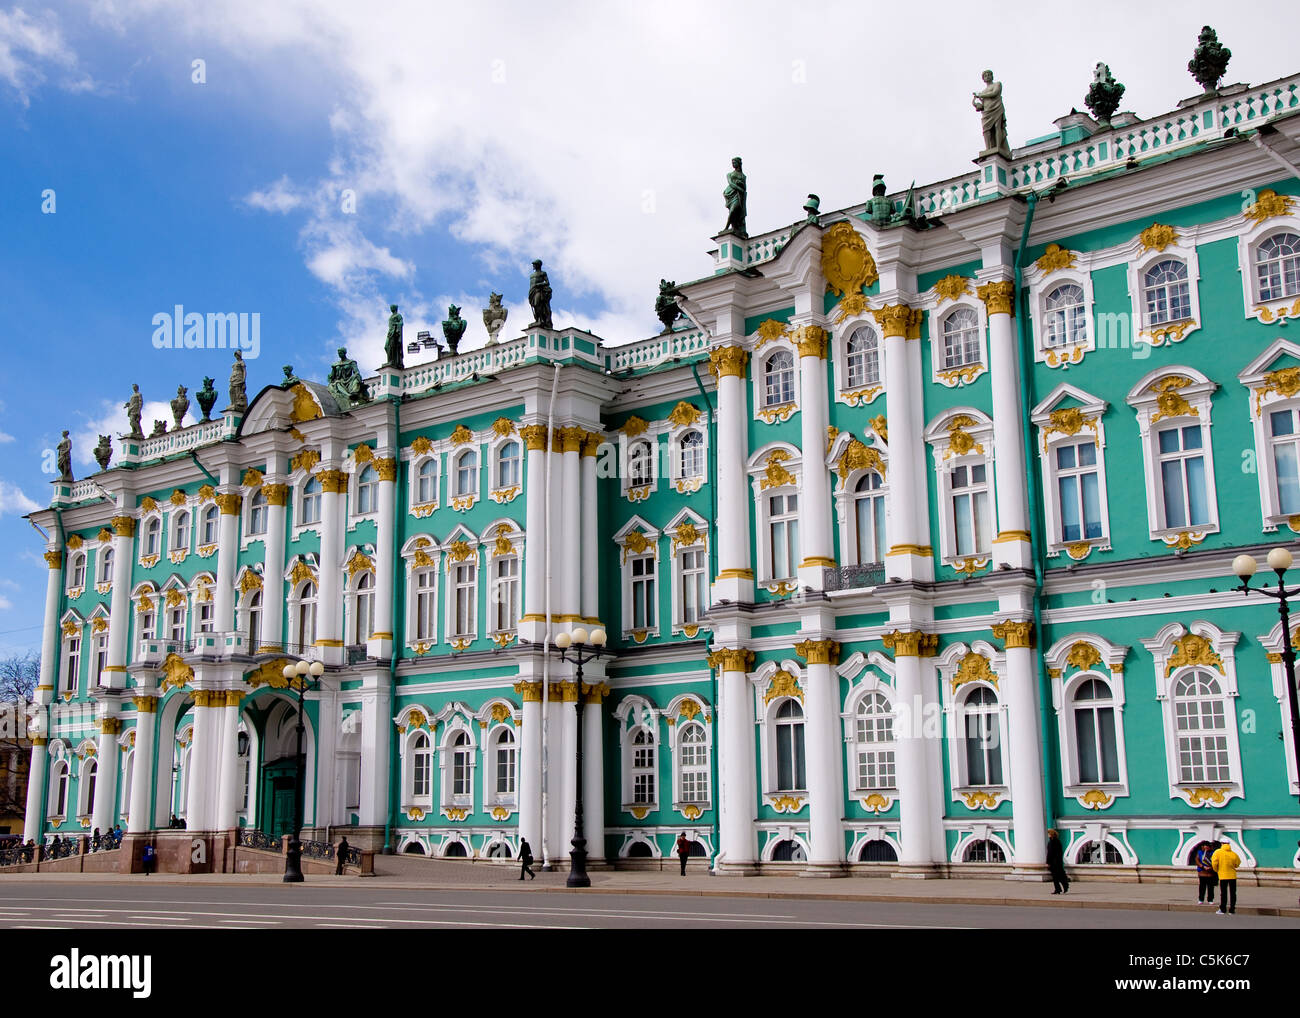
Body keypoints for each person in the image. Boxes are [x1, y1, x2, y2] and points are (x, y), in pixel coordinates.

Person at [1211, 837, 1240, 915]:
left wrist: (1216, 870)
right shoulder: (1233, 854)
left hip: (1223, 875)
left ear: (1221, 844)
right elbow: (1237, 864)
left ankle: (1223, 909)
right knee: (1233, 893)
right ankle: (1232, 910)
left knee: (1223, 893)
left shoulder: (1218, 852)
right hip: (1232, 876)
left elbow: (1214, 863)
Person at [1046, 828, 1069, 894]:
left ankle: (1061, 887)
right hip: (1058, 862)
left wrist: (1048, 862)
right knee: (1059, 875)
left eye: (1048, 833)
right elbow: (1059, 852)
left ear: (1051, 834)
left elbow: (1050, 853)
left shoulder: (1052, 842)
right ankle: (1062, 887)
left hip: (1054, 862)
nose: (1048, 835)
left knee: (1056, 876)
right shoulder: (1057, 841)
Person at [1194, 840, 1217, 904]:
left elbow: (1215, 861)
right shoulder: (1200, 852)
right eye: (1205, 846)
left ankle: (1210, 900)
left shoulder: (1213, 853)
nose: (1206, 847)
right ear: (1202, 846)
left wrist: (1211, 867)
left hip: (1210, 873)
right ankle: (1201, 899)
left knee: (1210, 887)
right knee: (1202, 887)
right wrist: (1202, 866)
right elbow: (1197, 860)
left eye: (1207, 846)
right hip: (1202, 873)